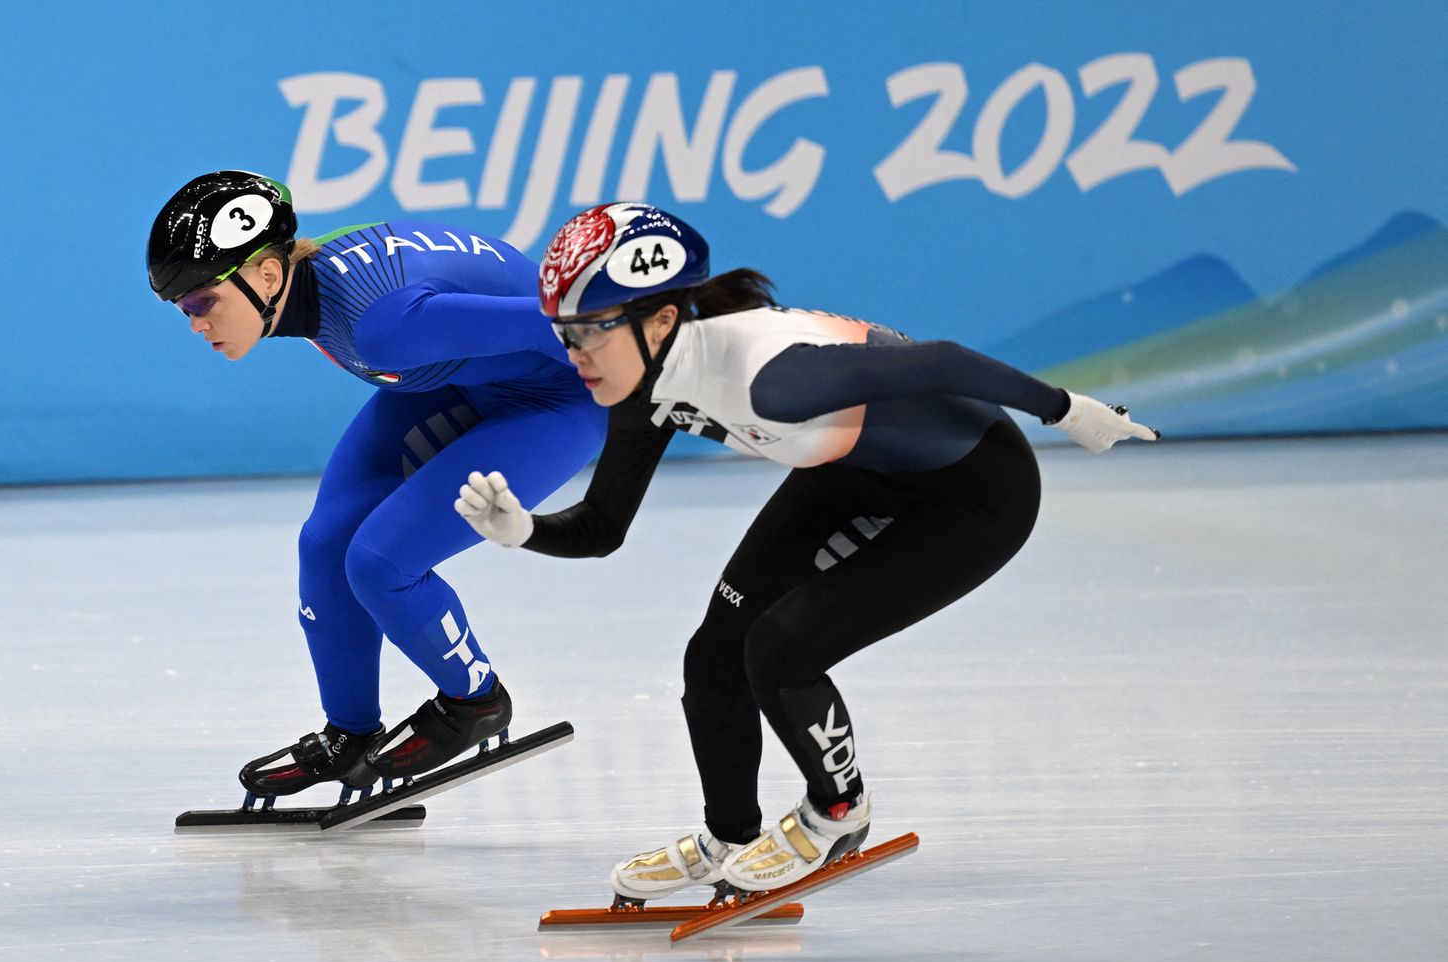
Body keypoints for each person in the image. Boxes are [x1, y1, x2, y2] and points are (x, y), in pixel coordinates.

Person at [453, 202, 1158, 897]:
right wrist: (525, 531)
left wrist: (1066, 409)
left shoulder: (770, 378)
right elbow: (603, 526)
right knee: (714, 656)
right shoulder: (641, 387)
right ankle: (730, 835)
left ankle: (839, 812)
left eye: (589, 331)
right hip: (855, 470)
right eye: (563, 333)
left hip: (975, 495)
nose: (573, 354)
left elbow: (941, 362)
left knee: (781, 650)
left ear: (660, 321)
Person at [145, 171, 606, 798]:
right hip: (461, 381)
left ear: (269, 276)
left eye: (202, 302)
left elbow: (567, 321)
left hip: (555, 400)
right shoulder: (320, 292)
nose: (195, 323)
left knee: (381, 562)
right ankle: (350, 734)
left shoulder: (381, 325)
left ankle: (475, 701)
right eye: (182, 310)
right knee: (325, 545)